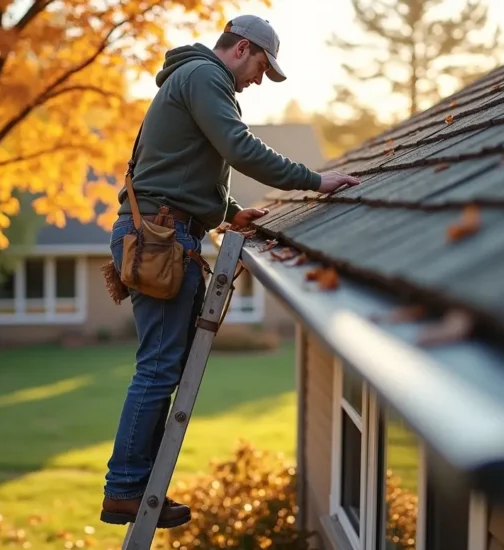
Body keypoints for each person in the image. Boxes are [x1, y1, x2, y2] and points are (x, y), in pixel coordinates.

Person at [100, 14, 360, 528]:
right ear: (242, 48)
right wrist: (314, 180)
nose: (259, 80)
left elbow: (182, 170)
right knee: (157, 369)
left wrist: (227, 213)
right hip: (160, 236)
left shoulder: (196, 78)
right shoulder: (204, 77)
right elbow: (239, 149)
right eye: (262, 66)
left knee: (161, 368)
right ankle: (125, 488)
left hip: (164, 228)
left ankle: (135, 485)